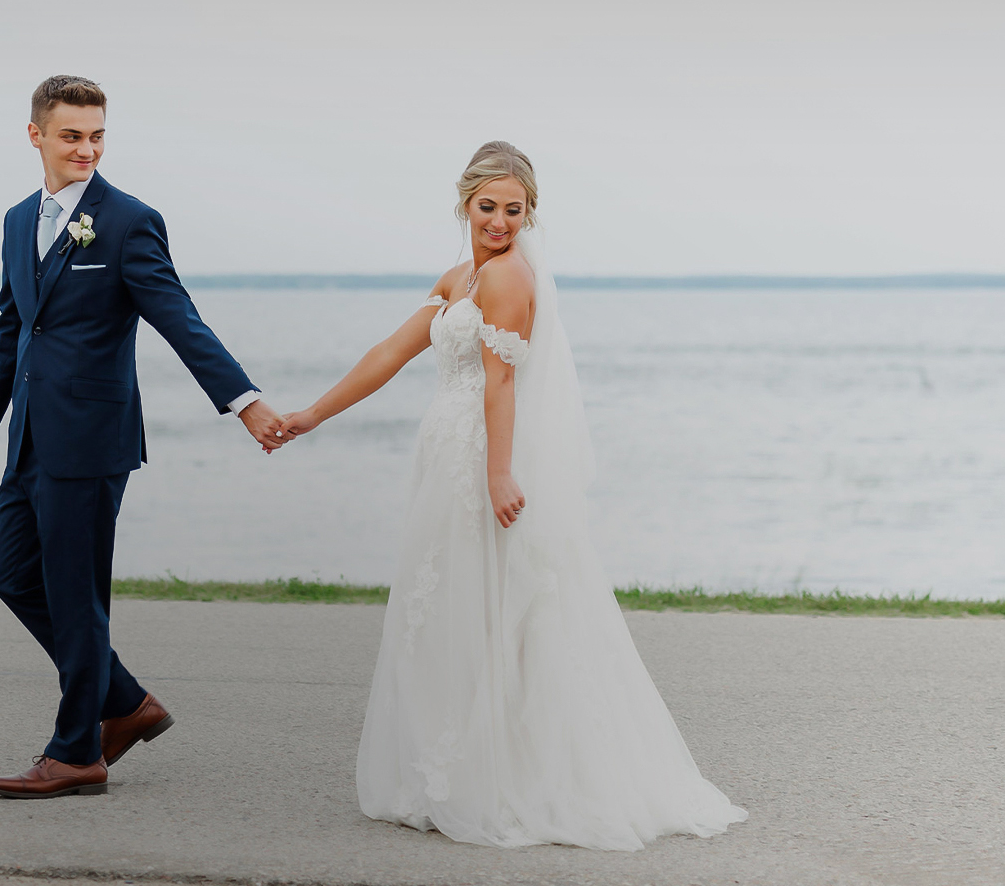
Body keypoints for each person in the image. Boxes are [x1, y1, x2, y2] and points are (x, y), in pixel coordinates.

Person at [281, 142, 745, 849]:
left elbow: (501, 386)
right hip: (444, 454)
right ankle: (454, 770)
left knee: (493, 608)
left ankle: (501, 777)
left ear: (531, 214)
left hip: (479, 457)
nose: (499, 221)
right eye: (487, 207)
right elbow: (389, 352)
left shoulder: (507, 280)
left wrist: (498, 473)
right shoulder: (460, 275)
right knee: (447, 610)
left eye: (514, 210)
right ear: (465, 203)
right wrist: (311, 415)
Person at [0, 75, 291, 799]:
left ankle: (77, 751)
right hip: (32, 436)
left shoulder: (130, 221)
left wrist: (244, 401)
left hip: (92, 438)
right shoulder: (17, 220)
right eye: (72, 135)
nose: (87, 149)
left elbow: (178, 317)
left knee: (75, 596)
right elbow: (13, 329)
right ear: (36, 135)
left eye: (97, 135)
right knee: (13, 577)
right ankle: (126, 702)